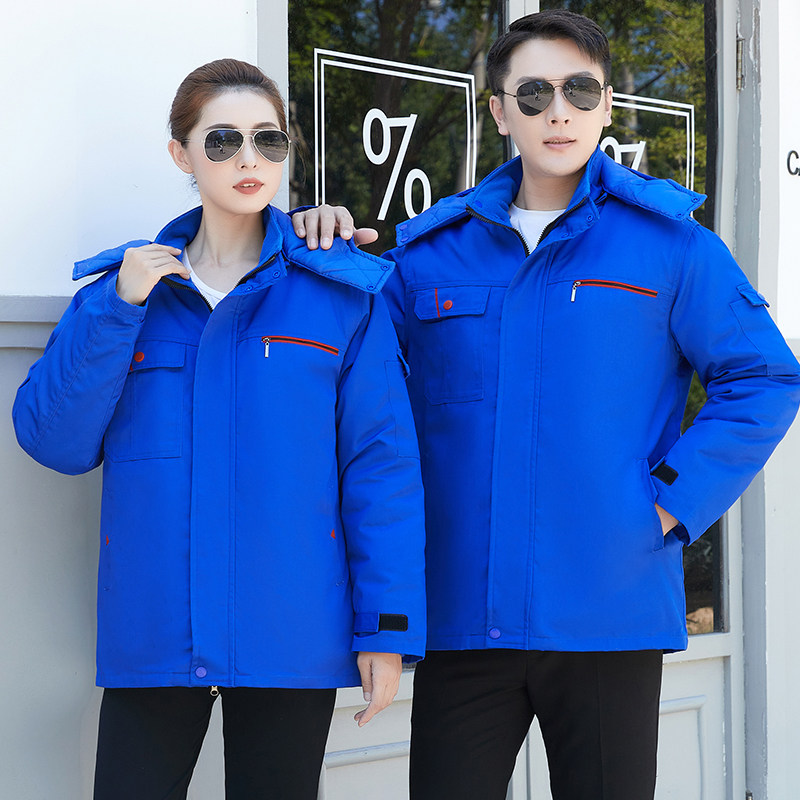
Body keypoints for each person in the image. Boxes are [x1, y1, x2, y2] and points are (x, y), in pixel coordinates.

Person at [294, 9, 800, 800]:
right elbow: (353, 385)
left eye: (578, 91)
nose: (557, 111)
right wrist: (309, 252)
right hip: (464, 612)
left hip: (609, 604)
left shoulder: (672, 246)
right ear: (500, 112)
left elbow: (762, 378)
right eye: (533, 94)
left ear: (607, 106)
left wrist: (667, 504)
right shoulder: (430, 254)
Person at [12, 58, 426, 800]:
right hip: (156, 628)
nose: (248, 159)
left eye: (269, 140)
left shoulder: (340, 296)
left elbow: (381, 469)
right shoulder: (125, 294)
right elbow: (54, 440)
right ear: (182, 154)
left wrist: (386, 631)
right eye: (223, 139)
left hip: (291, 632)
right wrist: (120, 306)